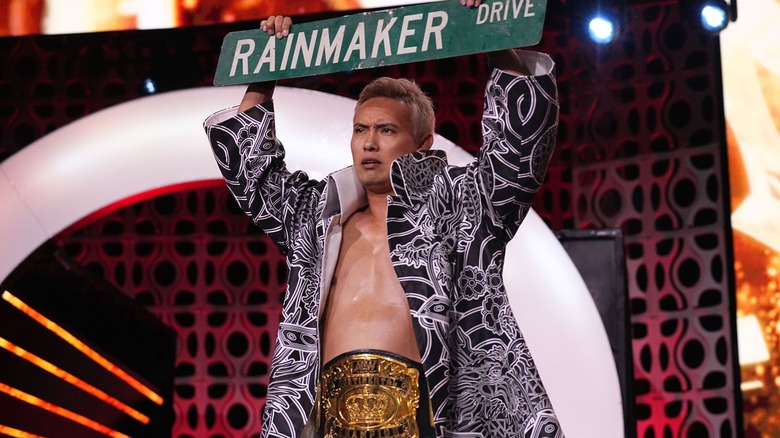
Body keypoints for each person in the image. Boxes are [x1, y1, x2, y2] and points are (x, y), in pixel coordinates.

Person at [204, 6, 562, 437]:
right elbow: (250, 173)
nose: (369, 142)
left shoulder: (461, 208)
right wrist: (265, 71)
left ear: (423, 143)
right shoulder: (317, 218)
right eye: (360, 129)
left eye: (387, 130)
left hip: (431, 419)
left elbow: (518, 150)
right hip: (329, 421)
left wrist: (495, 37)